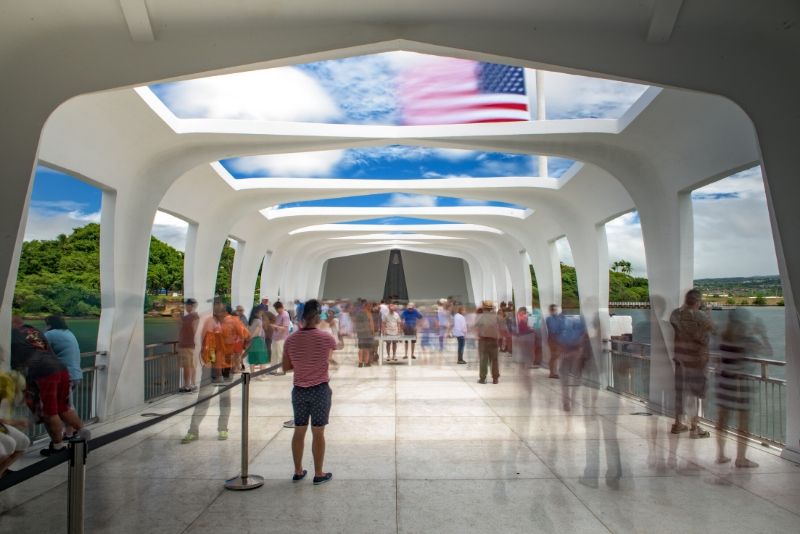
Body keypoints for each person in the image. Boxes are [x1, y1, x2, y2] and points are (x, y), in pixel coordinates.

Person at [10, 316, 88, 456]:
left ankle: (58, 446)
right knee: (63, 407)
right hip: (61, 368)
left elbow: (13, 358)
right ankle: (82, 431)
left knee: (49, 411)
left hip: (42, 372)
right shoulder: (33, 331)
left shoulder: (13, 335)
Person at [283, 299, 336, 485]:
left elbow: (286, 366)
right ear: (317, 315)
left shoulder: (291, 340)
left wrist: (302, 364)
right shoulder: (326, 338)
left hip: (299, 390)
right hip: (320, 389)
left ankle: (298, 471)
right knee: (318, 432)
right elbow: (332, 352)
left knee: (299, 430)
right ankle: (319, 473)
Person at [182, 299, 250, 443]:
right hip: (210, 367)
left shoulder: (234, 321)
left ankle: (223, 429)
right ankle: (193, 430)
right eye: (215, 307)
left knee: (225, 399)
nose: (217, 310)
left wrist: (238, 358)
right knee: (203, 398)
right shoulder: (208, 322)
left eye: (219, 307)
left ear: (225, 309)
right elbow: (203, 342)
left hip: (226, 367)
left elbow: (247, 338)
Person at [715, 308, 770, 467]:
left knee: (722, 419)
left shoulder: (723, 337)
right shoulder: (748, 340)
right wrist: (762, 334)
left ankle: (721, 454)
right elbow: (768, 351)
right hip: (741, 384)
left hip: (724, 382)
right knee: (743, 421)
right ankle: (741, 458)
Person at [669, 289, 714, 438]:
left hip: (680, 359)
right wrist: (708, 316)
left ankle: (678, 423)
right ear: (697, 302)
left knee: (680, 392)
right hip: (696, 361)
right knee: (695, 394)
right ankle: (694, 427)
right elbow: (705, 336)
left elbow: (679, 328)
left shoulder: (675, 314)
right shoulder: (701, 317)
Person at [43, 315, 83, 437]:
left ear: (50, 324)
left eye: (46, 324)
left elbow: (39, 349)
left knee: (65, 408)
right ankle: (69, 433)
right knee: (66, 405)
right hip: (76, 374)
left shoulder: (50, 334)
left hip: (64, 375)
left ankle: (73, 433)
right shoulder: (68, 333)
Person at [0, 369, 31, 477]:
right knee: (8, 445)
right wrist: (16, 422)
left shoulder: (9, 394)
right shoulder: (4, 389)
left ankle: (1, 472)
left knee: (23, 442)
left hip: (2, 426)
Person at [474, 300, 506, 384]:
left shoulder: (480, 317)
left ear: (484, 307)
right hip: (494, 341)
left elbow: (474, 326)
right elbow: (503, 329)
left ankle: (483, 378)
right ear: (491, 308)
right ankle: (495, 378)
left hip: (483, 341)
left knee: (483, 360)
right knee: (494, 360)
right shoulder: (497, 317)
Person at [177, 298, 199, 392]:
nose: (186, 306)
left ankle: (187, 385)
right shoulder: (191, 317)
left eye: (187, 305)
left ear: (192, 306)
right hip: (189, 344)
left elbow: (194, 330)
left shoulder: (192, 317)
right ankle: (192, 384)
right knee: (191, 365)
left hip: (187, 344)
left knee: (187, 366)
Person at [270, 301, 291, 376]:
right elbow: (277, 326)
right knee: (274, 354)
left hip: (282, 338)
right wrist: (274, 327)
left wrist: (275, 326)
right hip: (275, 337)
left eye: (277, 309)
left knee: (280, 354)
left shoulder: (285, 315)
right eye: (276, 309)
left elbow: (285, 328)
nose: (276, 310)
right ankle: (273, 369)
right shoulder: (278, 315)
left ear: (281, 307)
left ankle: (282, 370)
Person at [247, 308, 269, 375]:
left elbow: (248, 332)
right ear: (256, 313)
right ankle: (262, 375)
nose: (261, 314)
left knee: (252, 358)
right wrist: (252, 337)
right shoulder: (259, 321)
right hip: (258, 340)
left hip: (250, 342)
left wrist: (249, 340)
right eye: (260, 313)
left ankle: (252, 374)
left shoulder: (250, 321)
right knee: (262, 358)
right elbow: (256, 332)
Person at [353, 299, 374, 368]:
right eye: (370, 306)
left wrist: (372, 332)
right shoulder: (362, 313)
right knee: (362, 348)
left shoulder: (368, 313)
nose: (371, 307)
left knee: (366, 348)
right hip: (364, 333)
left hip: (366, 333)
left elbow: (371, 324)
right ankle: (361, 362)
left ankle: (366, 362)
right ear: (366, 306)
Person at [545, 305, 565, 379]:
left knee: (556, 356)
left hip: (557, 339)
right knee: (554, 356)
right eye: (553, 309)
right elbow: (553, 329)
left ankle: (554, 372)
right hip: (553, 339)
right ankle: (552, 372)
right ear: (550, 310)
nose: (555, 311)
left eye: (555, 309)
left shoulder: (558, 318)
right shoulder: (549, 319)